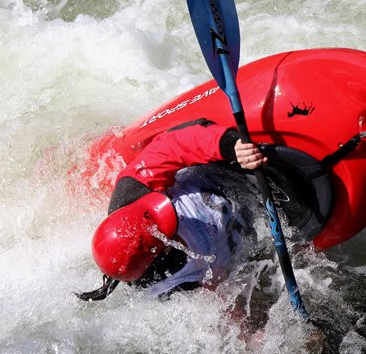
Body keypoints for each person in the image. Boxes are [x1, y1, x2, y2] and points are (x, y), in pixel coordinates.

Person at [76, 118, 267, 301]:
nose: (166, 215)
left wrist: (229, 146)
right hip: (257, 217)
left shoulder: (133, 192)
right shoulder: (175, 289)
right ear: (162, 253)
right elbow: (229, 303)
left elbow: (173, 146)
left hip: (227, 167)